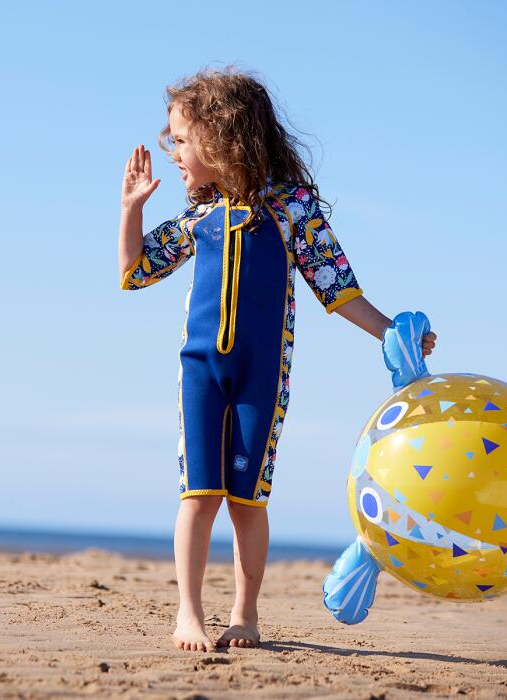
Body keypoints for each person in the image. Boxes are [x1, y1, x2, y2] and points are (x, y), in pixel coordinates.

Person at [117, 66, 438, 653]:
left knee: (246, 501)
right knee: (198, 495)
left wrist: (392, 331)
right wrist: (132, 209)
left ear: (223, 136)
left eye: (181, 140)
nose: (174, 153)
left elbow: (337, 288)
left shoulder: (291, 208)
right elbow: (134, 273)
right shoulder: (199, 216)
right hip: (200, 373)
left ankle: (244, 613)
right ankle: (188, 614)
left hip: (262, 378)